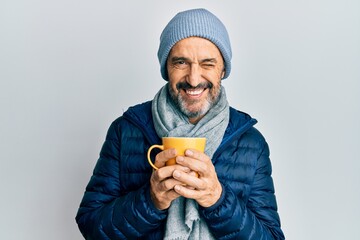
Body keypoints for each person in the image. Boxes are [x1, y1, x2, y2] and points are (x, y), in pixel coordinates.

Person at [76, 8, 285, 240]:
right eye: (181, 63)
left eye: (207, 64)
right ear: (166, 68)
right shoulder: (126, 131)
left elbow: (271, 237)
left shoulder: (250, 143)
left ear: (223, 70)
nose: (194, 79)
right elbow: (91, 226)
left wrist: (218, 199)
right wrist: (150, 200)